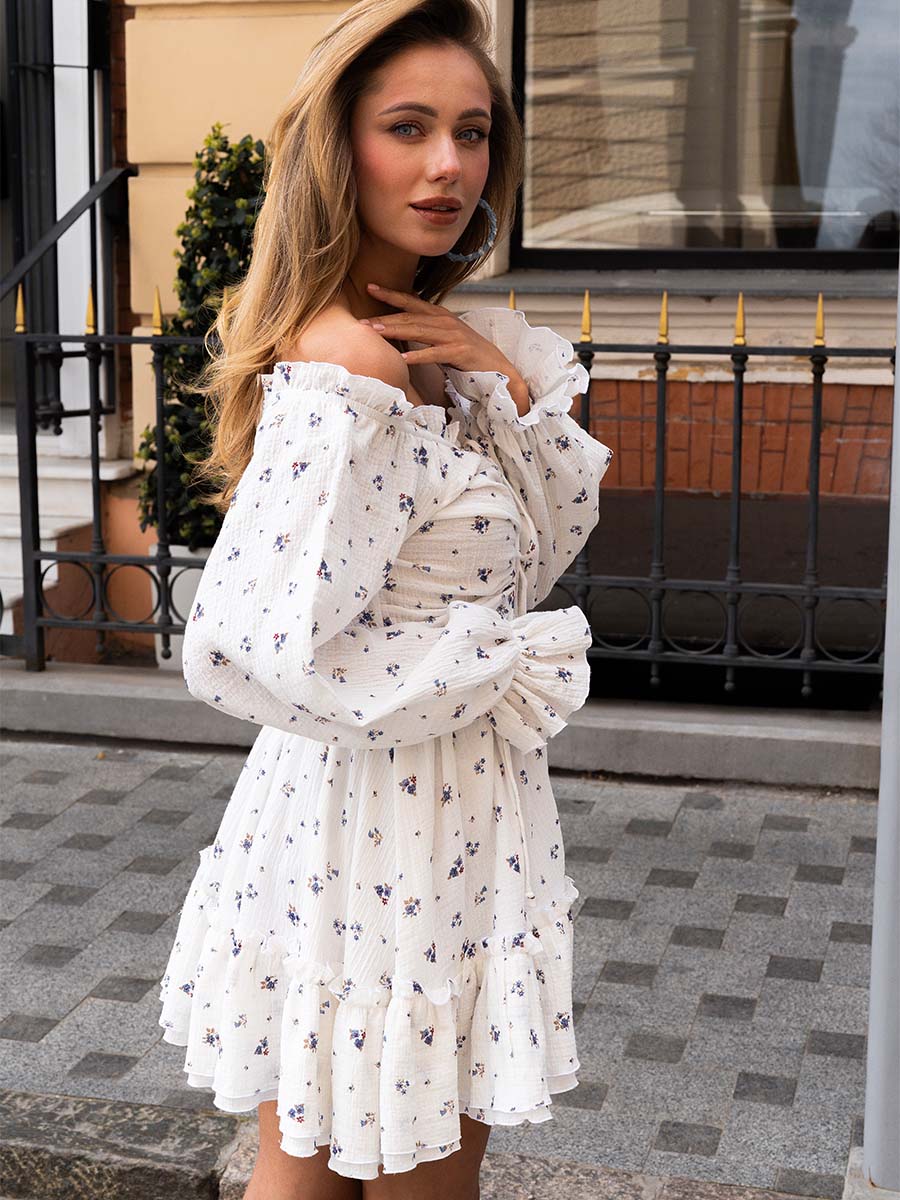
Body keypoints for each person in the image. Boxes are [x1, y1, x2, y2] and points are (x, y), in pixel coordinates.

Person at [156, 1, 614, 1198]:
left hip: (435, 815)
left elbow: (534, 561)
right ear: (340, 147)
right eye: (407, 127)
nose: (447, 164)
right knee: (399, 1178)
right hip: (383, 823)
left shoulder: (440, 349)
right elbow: (248, 643)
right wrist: (475, 671)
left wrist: (506, 388)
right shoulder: (348, 364)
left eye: (470, 132)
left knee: (324, 1167)